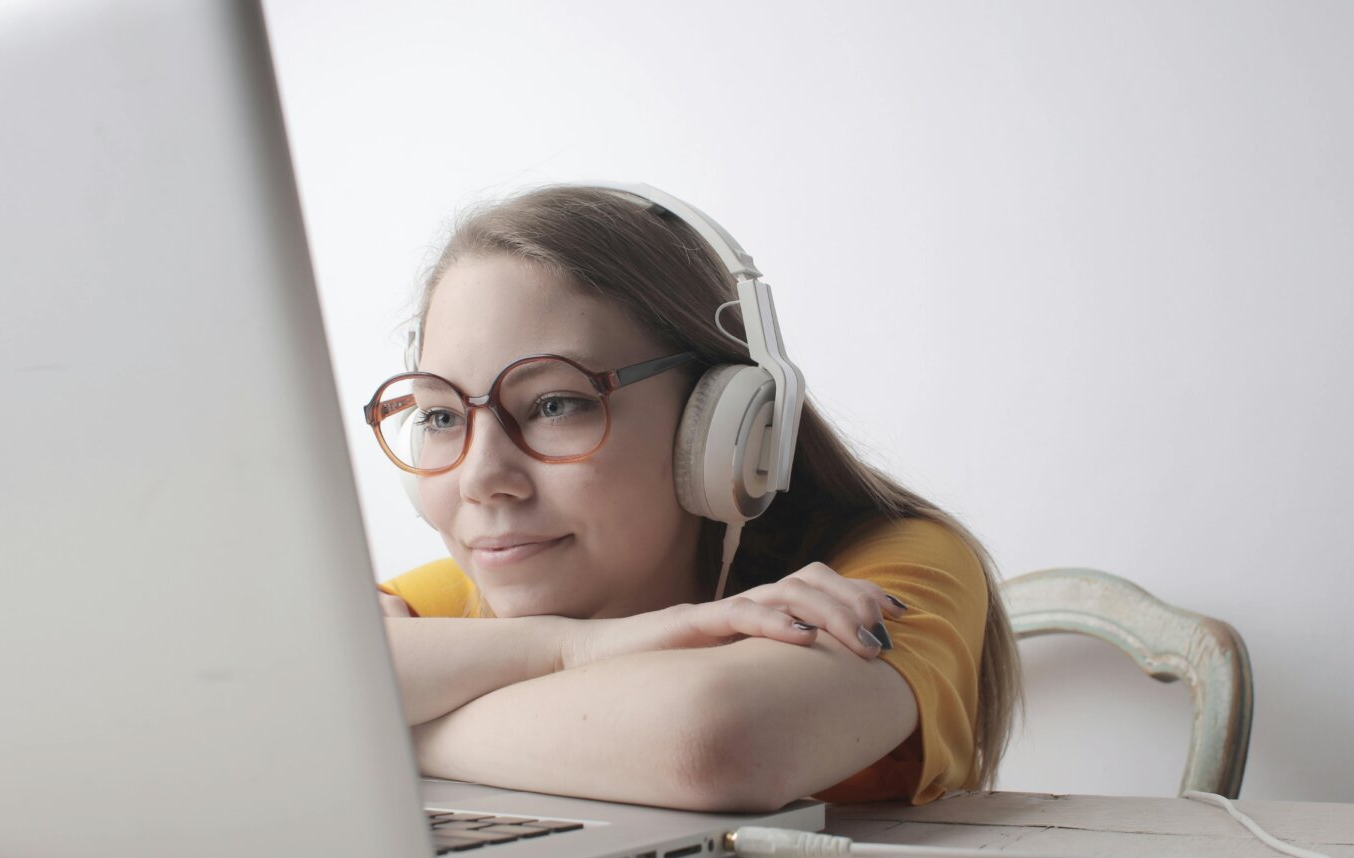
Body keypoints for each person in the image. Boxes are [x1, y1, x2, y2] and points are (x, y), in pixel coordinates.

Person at [366, 184, 1021, 812]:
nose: (481, 478)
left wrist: (385, 725)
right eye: (442, 417)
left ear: (722, 428)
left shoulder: (883, 570)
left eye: (556, 403)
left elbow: (714, 744)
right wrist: (579, 647)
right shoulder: (463, 594)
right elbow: (271, 678)